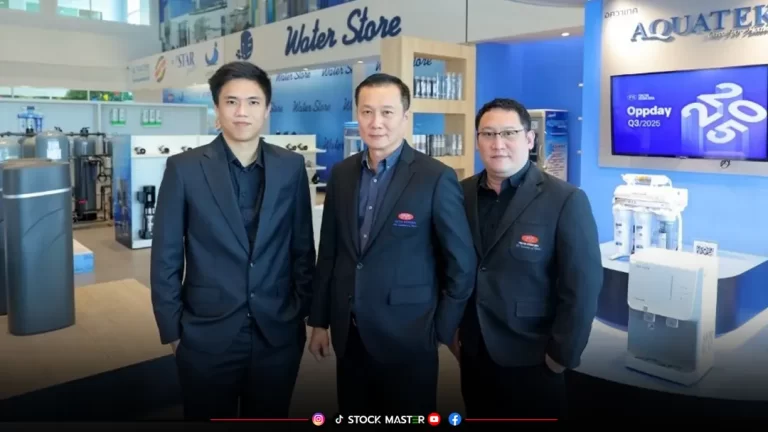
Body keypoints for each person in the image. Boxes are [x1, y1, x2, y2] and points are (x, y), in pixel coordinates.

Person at [150, 61, 316, 420]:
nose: (242, 112)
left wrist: (299, 310)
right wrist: (173, 331)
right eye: (231, 102)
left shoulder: (290, 166)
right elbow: (166, 256)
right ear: (217, 107)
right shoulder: (184, 168)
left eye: (253, 102)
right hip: (205, 335)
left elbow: (302, 246)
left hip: (277, 333)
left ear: (267, 110)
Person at [307, 73, 476, 415]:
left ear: (405, 117)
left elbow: (461, 263)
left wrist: (441, 330)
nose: (376, 122)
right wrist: (320, 321)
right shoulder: (341, 174)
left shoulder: (435, 177)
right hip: (349, 333)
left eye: (387, 112)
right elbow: (330, 254)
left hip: (410, 335)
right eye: (367, 112)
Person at [455, 98, 602, 419]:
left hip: (533, 357)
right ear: (478, 140)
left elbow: (582, 287)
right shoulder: (460, 194)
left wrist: (561, 355)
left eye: (509, 133)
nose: (498, 144)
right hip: (474, 352)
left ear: (530, 139)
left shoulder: (565, 199)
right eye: (488, 134)